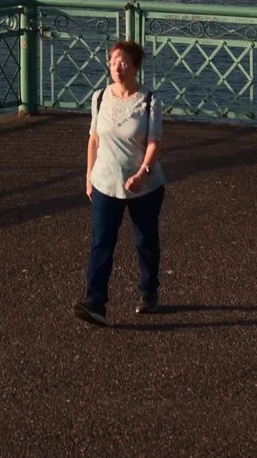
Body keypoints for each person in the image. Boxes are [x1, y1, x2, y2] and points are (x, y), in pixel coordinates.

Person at [75, 38, 164, 324]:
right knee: (101, 242)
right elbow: (94, 140)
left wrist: (142, 174)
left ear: (136, 67)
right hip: (105, 182)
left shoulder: (149, 101)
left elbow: (153, 143)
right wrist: (89, 176)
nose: (117, 68)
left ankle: (149, 291)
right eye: (113, 62)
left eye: (123, 62)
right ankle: (95, 302)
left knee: (145, 241)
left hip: (144, 186)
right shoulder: (99, 97)